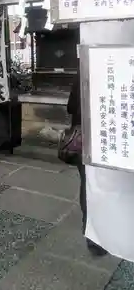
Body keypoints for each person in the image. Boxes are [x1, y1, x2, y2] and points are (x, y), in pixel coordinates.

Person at [67, 70, 107, 257]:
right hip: (105, 142)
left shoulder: (82, 71)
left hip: (84, 142)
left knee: (87, 184)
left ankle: (91, 233)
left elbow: (70, 106)